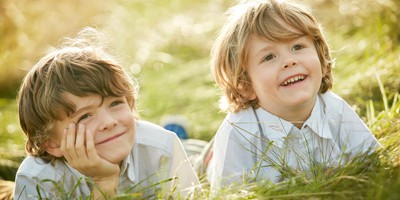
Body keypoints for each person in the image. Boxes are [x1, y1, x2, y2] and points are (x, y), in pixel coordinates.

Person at [206, 0, 381, 190]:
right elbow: (226, 193)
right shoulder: (238, 133)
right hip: (215, 159)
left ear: (321, 60)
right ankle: (202, 152)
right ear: (245, 86)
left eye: (297, 47)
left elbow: (373, 163)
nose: (289, 61)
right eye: (269, 57)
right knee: (201, 158)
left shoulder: (335, 110)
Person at [14, 27, 199, 199]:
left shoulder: (163, 148)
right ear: (51, 143)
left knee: (200, 162)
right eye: (85, 116)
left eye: (115, 103)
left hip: (165, 146)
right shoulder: (36, 179)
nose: (109, 122)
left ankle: (187, 143)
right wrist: (104, 181)